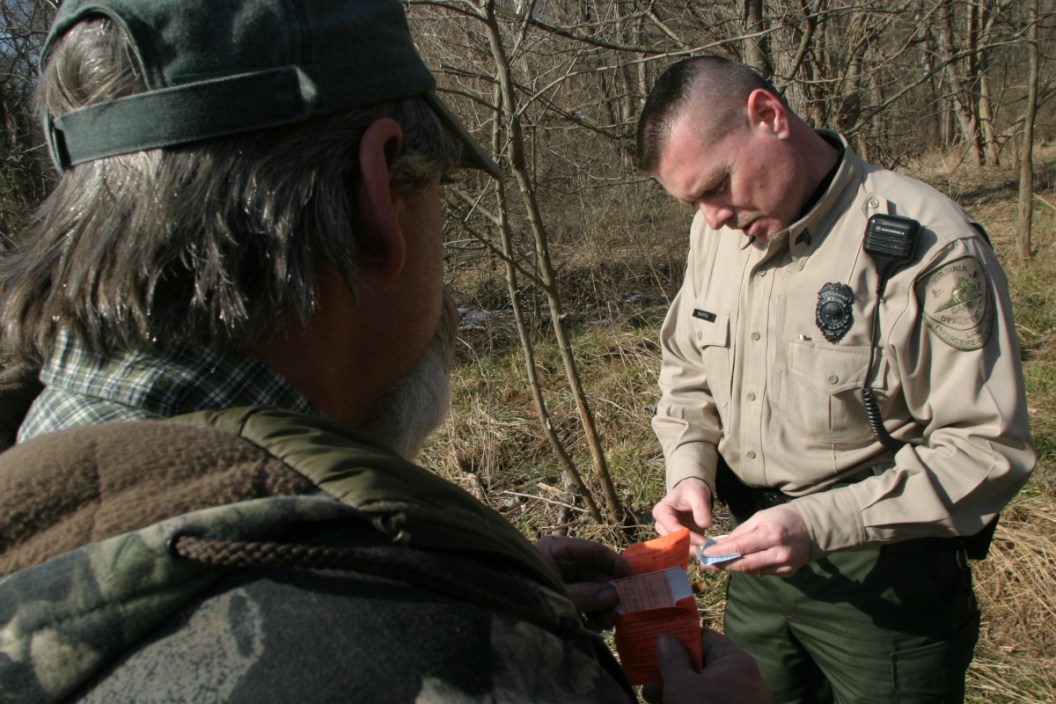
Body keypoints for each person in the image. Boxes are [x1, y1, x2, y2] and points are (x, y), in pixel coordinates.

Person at [0, 2, 769, 702]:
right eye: (440, 189)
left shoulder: (38, 491)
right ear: (380, 191)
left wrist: (458, 586)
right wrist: (466, 637)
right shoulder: (445, 665)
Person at [637, 55, 1035, 704]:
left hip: (887, 581)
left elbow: (988, 448)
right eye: (692, 202)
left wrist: (820, 524)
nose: (710, 218)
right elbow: (686, 374)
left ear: (768, 116)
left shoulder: (927, 243)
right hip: (753, 563)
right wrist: (688, 471)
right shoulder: (717, 232)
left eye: (715, 187)